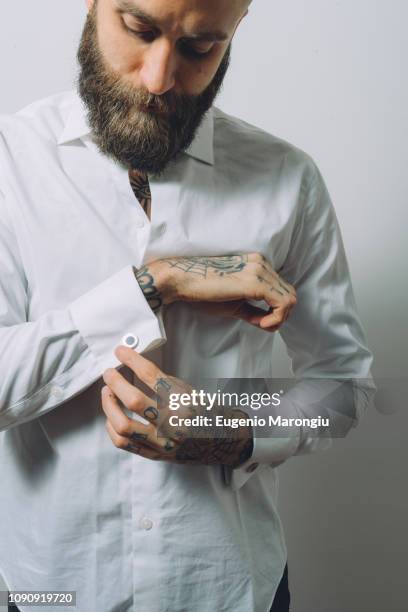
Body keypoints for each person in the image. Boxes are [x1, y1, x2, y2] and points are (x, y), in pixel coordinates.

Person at [0, 0, 374, 611]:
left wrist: (236, 432)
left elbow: (343, 387)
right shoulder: (9, 162)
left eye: (200, 48)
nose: (158, 78)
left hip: (231, 591)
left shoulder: (288, 178)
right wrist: (155, 284)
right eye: (138, 29)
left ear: (237, 27)